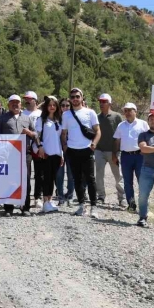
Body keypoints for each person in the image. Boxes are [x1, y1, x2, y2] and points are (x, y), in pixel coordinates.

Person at [0, 95, 38, 216]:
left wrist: (30, 133)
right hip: (9, 155)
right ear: (8, 105)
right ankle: (8, 208)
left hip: (25, 154)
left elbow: (36, 135)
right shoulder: (2, 119)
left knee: (26, 181)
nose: (15, 104)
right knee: (9, 181)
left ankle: (25, 207)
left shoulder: (27, 118)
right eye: (12, 102)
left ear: (21, 104)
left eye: (17, 102)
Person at [61, 88, 101, 219]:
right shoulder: (66, 114)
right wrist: (65, 147)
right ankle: (81, 205)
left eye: (77, 96)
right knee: (76, 179)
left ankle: (94, 206)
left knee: (90, 179)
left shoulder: (90, 113)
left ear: (82, 98)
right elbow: (64, 133)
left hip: (87, 149)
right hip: (72, 150)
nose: (75, 99)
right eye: (72, 97)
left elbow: (98, 131)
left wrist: (93, 144)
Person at [113, 102, 149, 213]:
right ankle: (131, 204)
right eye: (126, 110)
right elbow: (117, 141)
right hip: (125, 156)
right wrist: (114, 154)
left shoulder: (143, 124)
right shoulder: (121, 125)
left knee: (142, 181)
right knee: (127, 182)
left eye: (130, 110)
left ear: (135, 112)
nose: (127, 113)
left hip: (140, 156)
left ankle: (143, 206)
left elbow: (148, 139)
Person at [94, 93, 124, 207]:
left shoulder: (117, 117)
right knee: (99, 174)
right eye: (100, 101)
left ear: (109, 103)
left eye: (104, 101)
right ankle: (101, 196)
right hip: (99, 150)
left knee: (118, 175)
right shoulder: (96, 117)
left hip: (113, 151)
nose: (101, 103)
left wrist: (117, 152)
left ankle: (122, 198)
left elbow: (121, 134)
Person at [35, 96, 63, 213]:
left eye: (54, 105)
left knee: (52, 177)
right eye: (50, 105)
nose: (52, 107)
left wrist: (61, 154)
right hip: (46, 152)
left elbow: (60, 138)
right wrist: (40, 147)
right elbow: (36, 135)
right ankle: (45, 201)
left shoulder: (58, 120)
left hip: (56, 152)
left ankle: (50, 200)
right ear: (46, 107)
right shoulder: (41, 120)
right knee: (46, 177)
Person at [22, 91, 43, 209]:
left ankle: (37, 197)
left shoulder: (41, 114)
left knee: (40, 174)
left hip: (39, 146)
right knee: (26, 174)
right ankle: (25, 197)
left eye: (29, 99)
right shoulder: (21, 113)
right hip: (27, 147)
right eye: (25, 99)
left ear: (35, 100)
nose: (27, 101)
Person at [55, 99, 76, 206]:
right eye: (62, 105)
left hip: (71, 149)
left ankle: (70, 194)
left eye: (67, 105)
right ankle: (60, 196)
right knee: (59, 174)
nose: (65, 107)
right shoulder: (56, 119)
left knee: (71, 174)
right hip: (58, 149)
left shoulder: (73, 118)